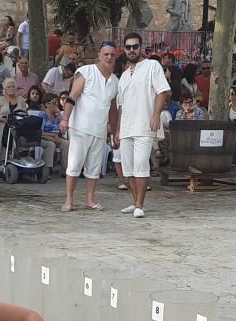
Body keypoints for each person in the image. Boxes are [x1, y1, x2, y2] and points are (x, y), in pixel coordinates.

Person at [59, 41, 119, 212]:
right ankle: (69, 200)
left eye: (112, 55)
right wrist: (65, 119)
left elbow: (113, 110)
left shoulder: (115, 81)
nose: (109, 57)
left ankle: (90, 200)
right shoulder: (86, 72)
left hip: (99, 130)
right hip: (80, 127)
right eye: (105, 54)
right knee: (74, 164)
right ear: (99, 56)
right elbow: (73, 96)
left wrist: (114, 132)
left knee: (93, 168)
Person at [116, 32, 170, 219]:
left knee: (141, 165)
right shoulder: (123, 76)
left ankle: (140, 204)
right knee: (128, 168)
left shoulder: (152, 66)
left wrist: (156, 115)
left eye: (135, 46)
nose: (132, 50)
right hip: (126, 127)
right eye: (128, 47)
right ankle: (134, 202)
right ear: (124, 49)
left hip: (145, 126)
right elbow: (120, 106)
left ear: (141, 48)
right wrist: (117, 130)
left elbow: (163, 92)